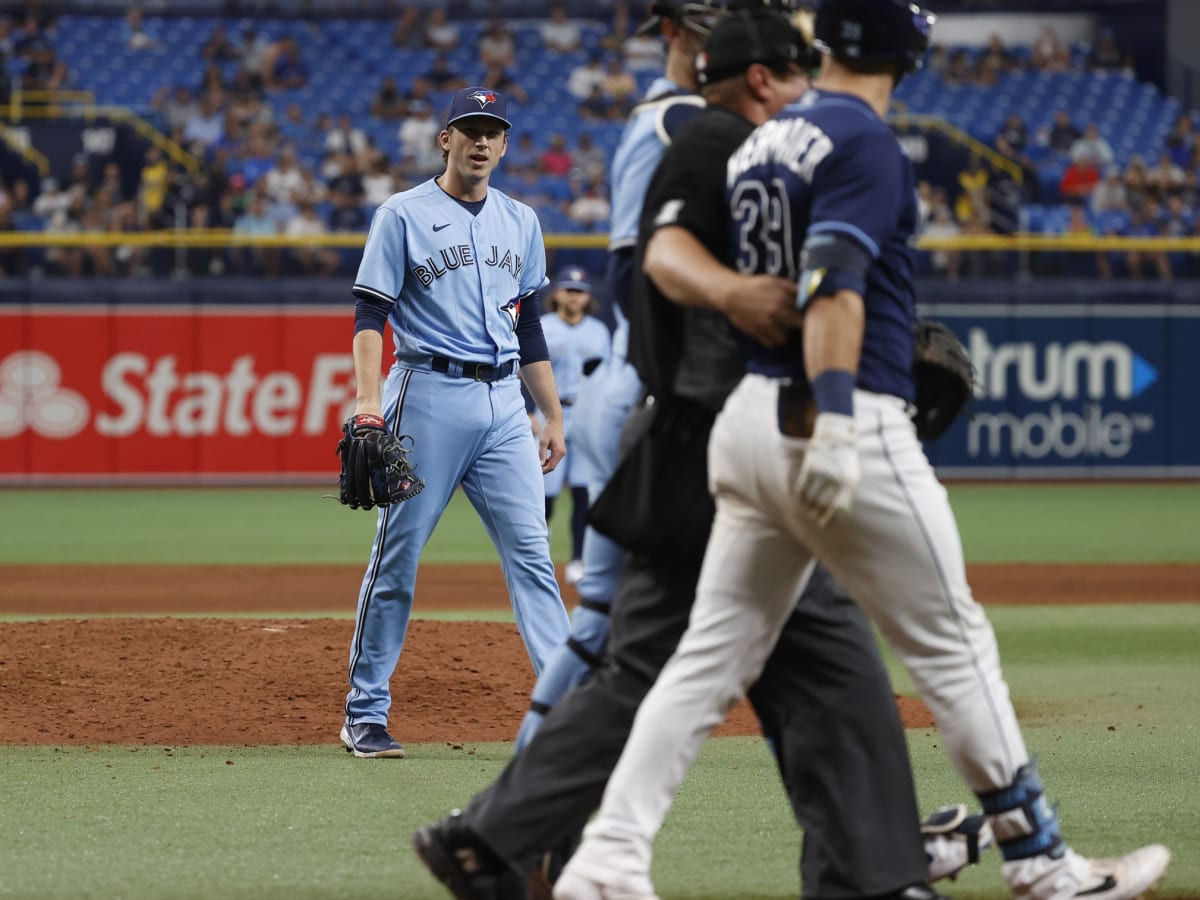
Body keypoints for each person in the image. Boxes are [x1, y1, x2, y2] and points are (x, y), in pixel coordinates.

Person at [555, 3, 1172, 900]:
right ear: (906, 49)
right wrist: (839, 420)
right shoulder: (866, 140)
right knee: (955, 646)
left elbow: (671, 246)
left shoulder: (766, 137)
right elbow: (835, 282)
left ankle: (607, 861)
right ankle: (1043, 863)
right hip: (837, 419)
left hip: (748, 424)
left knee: (706, 660)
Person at [412, 7, 988, 899]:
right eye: (796, 71)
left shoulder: (714, 136)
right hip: (714, 428)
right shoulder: (695, 130)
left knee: (776, 665)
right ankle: (872, 873)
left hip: (701, 425)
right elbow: (669, 282)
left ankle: (497, 837)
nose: (809, 88)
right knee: (789, 662)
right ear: (760, 76)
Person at [339, 86, 572, 759]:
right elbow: (369, 316)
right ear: (444, 138)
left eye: (491, 130)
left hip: (505, 406)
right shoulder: (402, 214)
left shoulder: (522, 220)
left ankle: (565, 709)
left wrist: (550, 413)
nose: (480, 141)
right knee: (399, 557)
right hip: (427, 393)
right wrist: (367, 401)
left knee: (533, 557)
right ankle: (365, 711)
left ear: (504, 143)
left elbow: (525, 325)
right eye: (468, 128)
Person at [533, 267, 611, 590]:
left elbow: (607, 378)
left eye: (579, 291)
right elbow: (526, 369)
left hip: (586, 412)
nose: (574, 296)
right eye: (568, 290)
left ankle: (578, 559)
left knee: (583, 491)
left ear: (588, 297)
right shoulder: (543, 327)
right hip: (548, 412)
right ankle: (539, 555)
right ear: (556, 294)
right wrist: (528, 410)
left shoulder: (599, 331)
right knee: (544, 493)